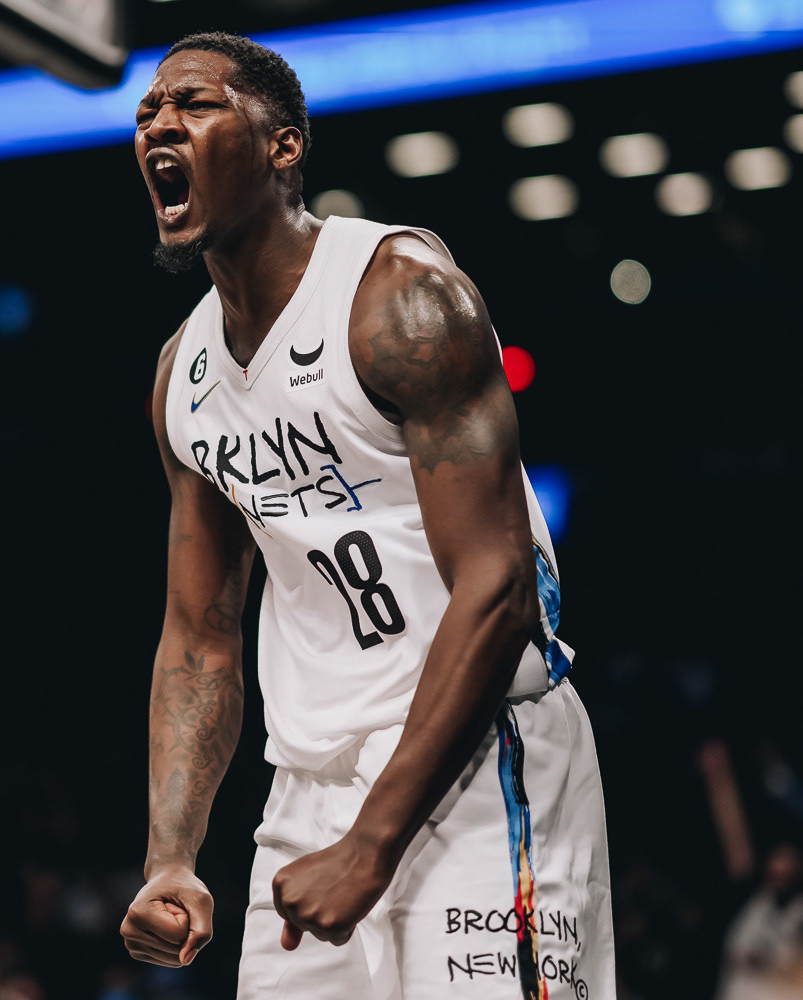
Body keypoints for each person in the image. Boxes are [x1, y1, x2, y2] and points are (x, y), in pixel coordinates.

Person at [119, 31, 616, 1000]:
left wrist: (374, 841)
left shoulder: (401, 302)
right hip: (309, 783)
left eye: (195, 104)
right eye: (148, 113)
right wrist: (171, 856)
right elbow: (200, 636)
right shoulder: (184, 375)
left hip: (480, 755)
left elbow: (501, 586)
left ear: (284, 146)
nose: (160, 125)